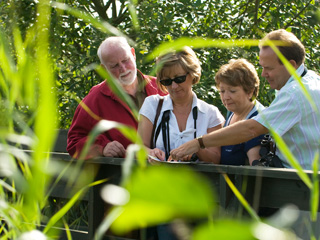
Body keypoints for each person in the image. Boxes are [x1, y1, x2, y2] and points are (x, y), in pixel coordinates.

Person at [170, 29, 320, 171]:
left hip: (303, 186)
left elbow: (252, 128)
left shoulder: (295, 93)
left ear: (291, 65)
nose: (263, 74)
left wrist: (198, 143)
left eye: (268, 68)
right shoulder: (310, 80)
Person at [67, 36, 165, 159]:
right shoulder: (94, 99)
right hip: (122, 174)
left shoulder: (163, 87)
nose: (123, 69)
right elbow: (74, 142)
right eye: (114, 66)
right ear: (104, 69)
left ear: (133, 54)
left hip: (168, 172)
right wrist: (102, 147)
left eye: (125, 60)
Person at [138, 46, 225, 164]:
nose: (174, 86)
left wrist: (196, 148)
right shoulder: (152, 105)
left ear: (193, 74)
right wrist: (151, 153)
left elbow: (216, 159)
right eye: (167, 81)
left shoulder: (210, 113)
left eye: (179, 79)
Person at [215, 59, 265, 165]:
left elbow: (257, 171)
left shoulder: (258, 119)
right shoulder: (232, 112)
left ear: (250, 91)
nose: (226, 97)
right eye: (222, 91)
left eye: (232, 91)